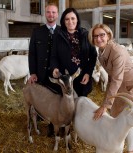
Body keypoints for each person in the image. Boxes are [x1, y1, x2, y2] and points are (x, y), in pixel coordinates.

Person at [88, 23, 133, 153]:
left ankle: (131, 149)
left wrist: (105, 105)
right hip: (119, 85)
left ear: (108, 35)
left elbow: (116, 78)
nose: (98, 39)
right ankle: (119, 143)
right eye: (95, 36)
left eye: (102, 35)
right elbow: (112, 77)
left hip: (131, 86)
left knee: (130, 115)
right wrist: (106, 101)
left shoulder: (117, 51)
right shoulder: (101, 51)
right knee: (120, 116)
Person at [28, 3, 60, 137]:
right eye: (48, 12)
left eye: (53, 12)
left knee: (56, 100)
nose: (51, 15)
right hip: (40, 74)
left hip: (56, 75)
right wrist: (33, 73)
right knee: (42, 99)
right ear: (45, 14)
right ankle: (41, 117)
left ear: (57, 14)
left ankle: (53, 126)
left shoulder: (62, 31)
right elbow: (32, 54)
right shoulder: (37, 32)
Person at [51, 8, 97, 97]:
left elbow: (93, 56)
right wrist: (54, 68)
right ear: (63, 21)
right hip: (65, 79)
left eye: (73, 18)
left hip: (82, 77)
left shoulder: (86, 35)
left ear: (77, 20)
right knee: (66, 105)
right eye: (67, 19)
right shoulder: (57, 36)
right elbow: (54, 56)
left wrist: (88, 73)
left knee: (81, 103)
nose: (70, 21)